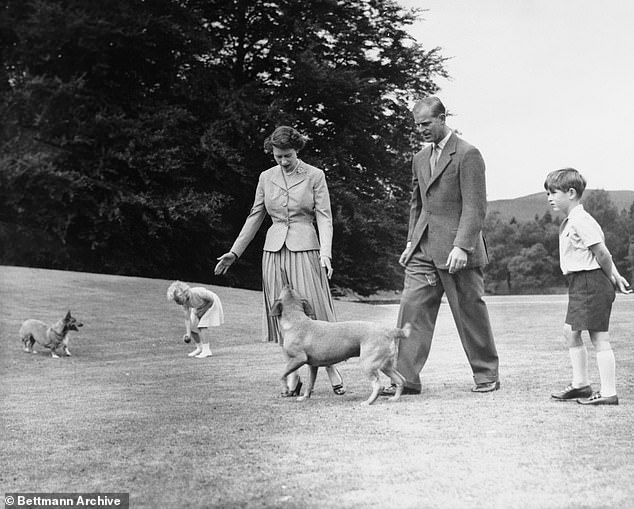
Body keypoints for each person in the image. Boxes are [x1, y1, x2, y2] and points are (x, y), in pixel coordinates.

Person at [214, 125, 345, 397]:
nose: (283, 161)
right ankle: (293, 376)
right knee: (281, 315)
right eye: (278, 156)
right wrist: (234, 252)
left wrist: (326, 253)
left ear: (297, 150)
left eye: (287, 155)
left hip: (306, 249)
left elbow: (324, 217)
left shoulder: (315, 176)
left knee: (314, 309)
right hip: (273, 252)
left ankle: (331, 368)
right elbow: (255, 216)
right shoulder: (266, 177)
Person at [382, 96, 500, 396]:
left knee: (469, 312)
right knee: (412, 310)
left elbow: (475, 207)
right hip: (422, 249)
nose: (420, 130)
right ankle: (404, 378)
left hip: (458, 251)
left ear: (442, 118)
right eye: (417, 125)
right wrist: (411, 241)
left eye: (426, 124)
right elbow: (417, 204)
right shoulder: (419, 158)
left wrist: (462, 246)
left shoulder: (468, 154)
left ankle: (487, 375)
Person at [545, 168, 631, 405]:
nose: (549, 198)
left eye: (553, 192)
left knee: (599, 337)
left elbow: (602, 253)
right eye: (547, 193)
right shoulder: (572, 220)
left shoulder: (581, 220)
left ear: (571, 193)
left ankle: (608, 393)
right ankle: (581, 385)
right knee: (570, 332)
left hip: (591, 281)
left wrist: (613, 277)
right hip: (580, 283)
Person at [166, 281, 225, 358]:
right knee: (192, 327)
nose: (177, 302)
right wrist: (188, 334)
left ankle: (207, 350)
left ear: (184, 294)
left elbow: (211, 300)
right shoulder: (183, 303)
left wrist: (202, 311)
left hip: (212, 303)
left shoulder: (196, 292)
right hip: (199, 307)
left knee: (202, 325)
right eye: (175, 301)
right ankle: (199, 348)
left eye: (177, 300)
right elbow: (187, 319)